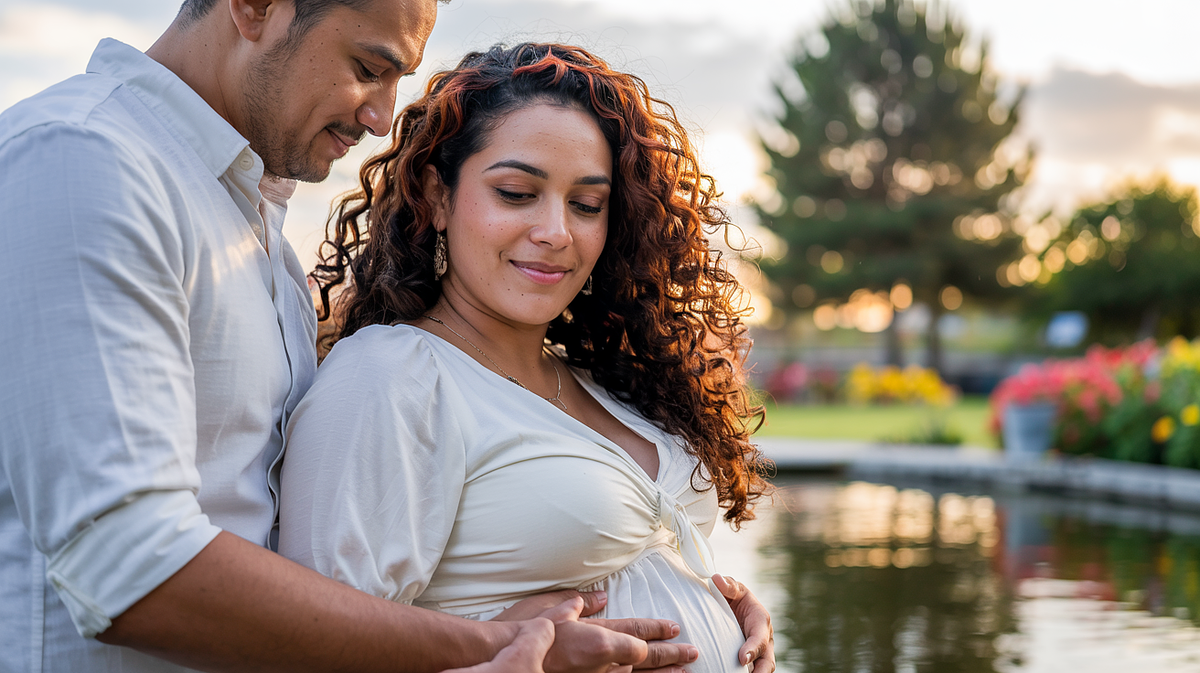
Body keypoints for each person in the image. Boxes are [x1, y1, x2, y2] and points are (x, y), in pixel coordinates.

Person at [0, 2, 698, 671]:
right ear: (255, 6)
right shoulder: (85, 161)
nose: (381, 115)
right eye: (368, 66)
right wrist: (496, 643)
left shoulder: (250, 228)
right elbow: (127, 563)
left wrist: (691, 595)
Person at [278, 42, 776, 673]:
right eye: (516, 193)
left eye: (587, 204)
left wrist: (720, 607)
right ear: (436, 196)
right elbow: (318, 653)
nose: (556, 232)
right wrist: (512, 654)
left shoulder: (597, 380)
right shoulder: (391, 377)